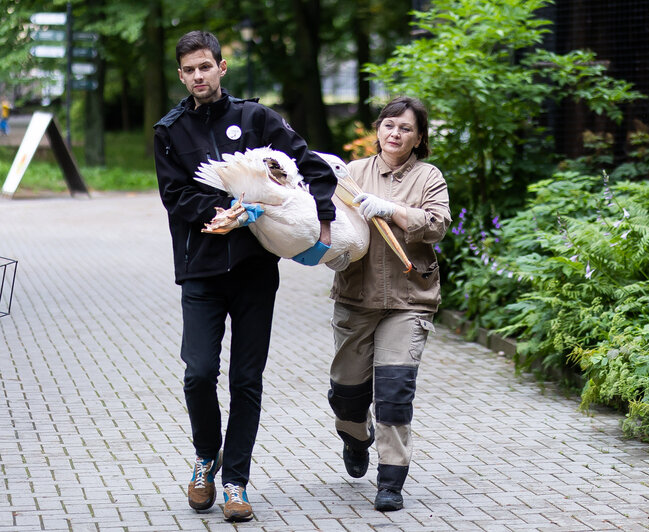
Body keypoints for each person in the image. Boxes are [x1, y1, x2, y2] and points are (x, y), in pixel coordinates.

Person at [153, 30, 337, 522]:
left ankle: (235, 481)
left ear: (221, 67)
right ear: (181, 74)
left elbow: (312, 166)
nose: (198, 76)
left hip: (255, 269)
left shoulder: (255, 119)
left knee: (246, 379)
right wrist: (226, 209)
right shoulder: (169, 130)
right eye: (189, 70)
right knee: (198, 373)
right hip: (200, 269)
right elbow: (175, 196)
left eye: (205, 67)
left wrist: (317, 216)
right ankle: (205, 459)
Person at [325, 96, 451, 511]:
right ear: (378, 128)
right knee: (346, 396)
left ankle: (390, 482)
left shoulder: (429, 177)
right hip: (355, 299)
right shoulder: (352, 174)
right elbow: (329, 225)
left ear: (419, 139)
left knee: (395, 393)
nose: (396, 134)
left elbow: (436, 226)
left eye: (407, 129)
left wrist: (392, 210)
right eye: (390, 125)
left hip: (409, 300)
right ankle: (355, 437)